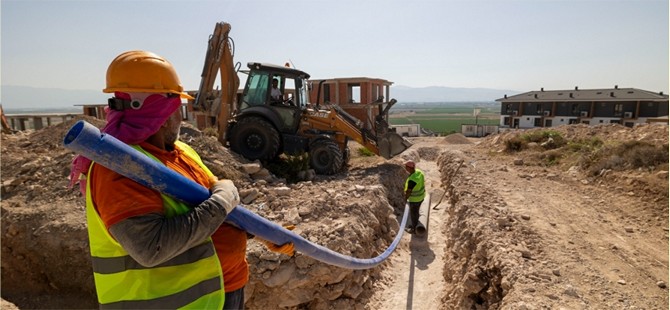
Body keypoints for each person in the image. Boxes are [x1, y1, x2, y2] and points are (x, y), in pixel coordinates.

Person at [69, 50, 293, 309]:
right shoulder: (117, 169)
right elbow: (151, 247)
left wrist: (260, 233)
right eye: (178, 108)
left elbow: (213, 207)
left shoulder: (181, 152)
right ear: (162, 113)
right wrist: (224, 199)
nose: (181, 117)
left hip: (222, 290)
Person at [403, 160, 425, 234]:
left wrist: (405, 198)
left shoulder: (412, 180)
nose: (405, 168)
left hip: (414, 200)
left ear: (409, 168)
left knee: (414, 214)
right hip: (421, 197)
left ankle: (414, 229)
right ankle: (415, 225)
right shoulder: (419, 172)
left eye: (406, 166)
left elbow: (409, 191)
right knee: (417, 212)